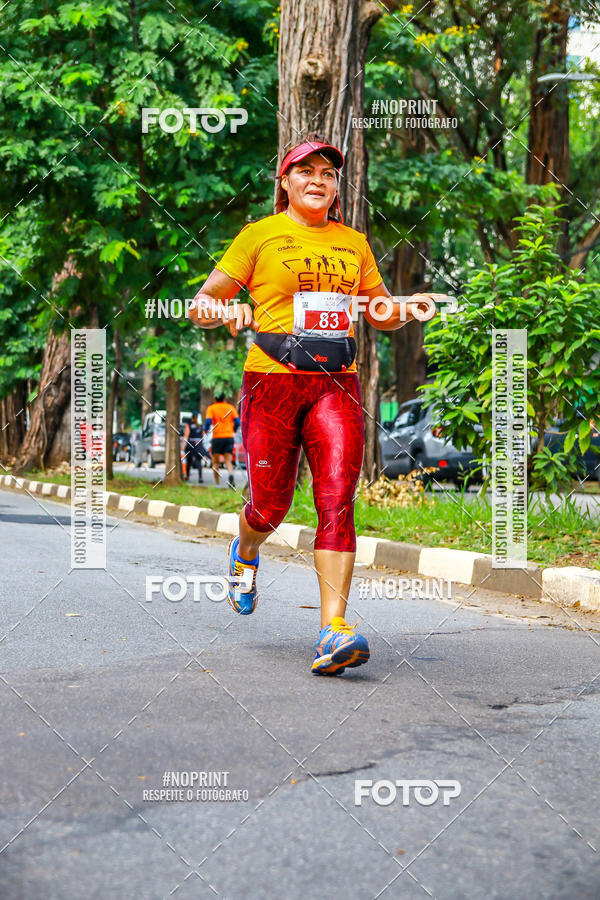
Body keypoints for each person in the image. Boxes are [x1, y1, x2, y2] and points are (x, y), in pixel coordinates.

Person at [189, 133, 448, 675]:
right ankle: (246, 549)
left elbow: (376, 310)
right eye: (306, 171)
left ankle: (334, 629)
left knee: (338, 497)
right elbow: (204, 302)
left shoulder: (353, 242)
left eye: (328, 174)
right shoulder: (259, 236)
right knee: (270, 506)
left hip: (337, 383)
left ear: (336, 187)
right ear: (285, 183)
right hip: (272, 384)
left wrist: (405, 308)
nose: (318, 180)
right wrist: (225, 312)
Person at [204, 393, 240, 487]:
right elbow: (237, 421)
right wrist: (234, 430)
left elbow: (208, 422)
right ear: (224, 398)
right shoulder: (230, 407)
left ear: (215, 399)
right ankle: (231, 476)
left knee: (215, 462)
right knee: (228, 460)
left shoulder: (211, 408)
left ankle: (217, 483)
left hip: (217, 437)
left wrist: (205, 430)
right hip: (229, 437)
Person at [181, 413, 206, 483]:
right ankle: (200, 477)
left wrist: (183, 445)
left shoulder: (189, 424)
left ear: (192, 417)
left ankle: (187, 476)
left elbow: (186, 435)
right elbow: (203, 436)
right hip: (198, 444)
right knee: (198, 461)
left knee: (189, 460)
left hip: (190, 444)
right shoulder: (201, 426)